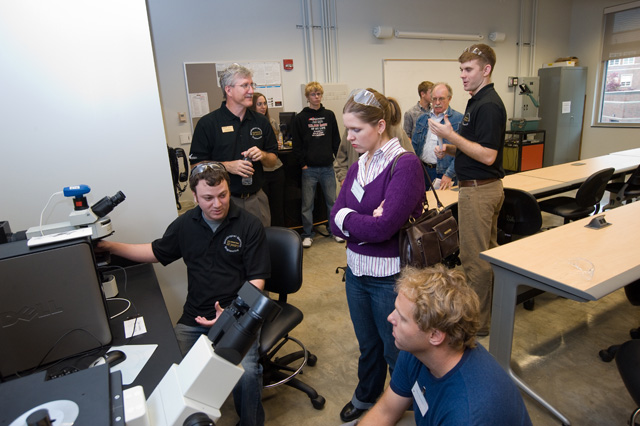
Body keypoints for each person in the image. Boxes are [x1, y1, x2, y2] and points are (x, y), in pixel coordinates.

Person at [97, 163, 269, 426]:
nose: (217, 204)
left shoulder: (249, 225)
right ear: (195, 197)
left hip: (238, 317)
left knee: (246, 375)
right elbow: (155, 252)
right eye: (208, 198)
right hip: (195, 316)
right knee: (169, 364)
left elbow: (257, 279)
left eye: (222, 195)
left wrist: (231, 315)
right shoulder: (185, 224)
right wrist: (110, 246)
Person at [331, 88, 426, 423]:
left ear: (381, 125)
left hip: (389, 279)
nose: (349, 137)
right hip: (356, 273)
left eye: (356, 129)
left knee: (395, 349)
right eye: (347, 129)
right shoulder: (359, 165)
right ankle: (366, 395)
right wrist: (360, 220)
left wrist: (352, 220)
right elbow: (333, 219)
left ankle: (403, 407)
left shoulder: (405, 165)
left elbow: (383, 229)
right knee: (368, 345)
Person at [355, 265, 532, 426]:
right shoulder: (415, 350)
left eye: (402, 318)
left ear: (435, 335)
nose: (390, 318)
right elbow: (385, 411)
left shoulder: (466, 414)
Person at [428, 44, 506, 335]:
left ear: (486, 70)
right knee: (487, 257)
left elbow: (488, 155)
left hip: (479, 191)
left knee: (475, 262)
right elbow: (475, 147)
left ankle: (478, 325)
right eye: (461, 69)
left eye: (468, 69)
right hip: (480, 188)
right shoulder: (477, 101)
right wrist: (450, 148)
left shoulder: (488, 105)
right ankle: (487, 315)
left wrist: (451, 135)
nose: (462, 75)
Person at [189, 63, 278, 227]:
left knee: (261, 242)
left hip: (256, 200)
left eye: (251, 85)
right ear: (228, 90)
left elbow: (273, 161)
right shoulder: (208, 124)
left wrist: (263, 155)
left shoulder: (261, 122)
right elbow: (196, 167)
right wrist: (226, 166)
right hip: (223, 203)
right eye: (245, 85)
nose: (251, 90)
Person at [292, 81, 342, 248]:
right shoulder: (300, 118)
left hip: (327, 167)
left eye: (319, 94)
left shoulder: (329, 115)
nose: (316, 97)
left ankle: (334, 231)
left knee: (332, 202)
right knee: (307, 205)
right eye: (313, 94)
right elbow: (297, 145)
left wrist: (338, 160)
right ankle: (307, 234)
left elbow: (336, 140)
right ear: (307, 97)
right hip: (309, 170)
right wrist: (303, 165)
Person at [411, 82, 463, 190]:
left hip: (444, 174)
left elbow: (462, 152)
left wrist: (449, 174)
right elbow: (414, 147)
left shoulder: (458, 120)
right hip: (423, 171)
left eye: (441, 99)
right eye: (434, 99)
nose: (437, 102)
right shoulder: (422, 119)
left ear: (449, 98)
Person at [334, 125, 415, 187]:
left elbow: (410, 163)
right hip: (356, 188)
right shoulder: (351, 130)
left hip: (387, 191)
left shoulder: (395, 129)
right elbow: (341, 159)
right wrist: (343, 178)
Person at [251, 92, 286, 227]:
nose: (263, 107)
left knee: (278, 206)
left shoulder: (272, 122)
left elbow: (276, 146)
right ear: (252, 106)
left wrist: (277, 145)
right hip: (261, 171)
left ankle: (280, 234)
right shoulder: (250, 125)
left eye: (265, 103)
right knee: (263, 208)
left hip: (276, 169)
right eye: (259, 104)